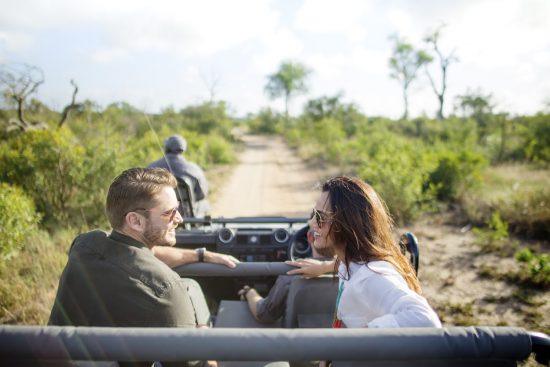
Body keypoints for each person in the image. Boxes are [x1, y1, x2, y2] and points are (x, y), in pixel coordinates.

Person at [49, 167, 238, 366]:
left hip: (58, 358)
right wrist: (204, 339)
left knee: (190, 284)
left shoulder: (85, 244)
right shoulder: (165, 288)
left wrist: (200, 255)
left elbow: (139, 254)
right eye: (169, 213)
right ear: (135, 221)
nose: (179, 219)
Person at [309, 176, 441, 329]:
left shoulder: (370, 275)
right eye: (313, 214)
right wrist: (324, 267)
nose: (312, 223)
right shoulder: (351, 261)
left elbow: (425, 319)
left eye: (320, 217)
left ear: (348, 223)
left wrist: (364, 335)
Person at [238, 230, 335, 323]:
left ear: (309, 237)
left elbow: (264, 314)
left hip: (298, 338)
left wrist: (249, 292)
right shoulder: (349, 272)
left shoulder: (291, 273)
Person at [148, 135, 210, 217]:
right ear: (183, 150)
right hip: (187, 214)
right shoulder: (194, 169)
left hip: (159, 214)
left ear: (166, 148)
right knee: (205, 204)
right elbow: (202, 194)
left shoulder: (151, 167)